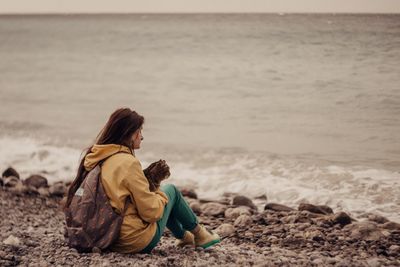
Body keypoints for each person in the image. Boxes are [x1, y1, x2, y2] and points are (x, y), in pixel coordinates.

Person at [64, 108, 220, 253]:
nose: (142, 136)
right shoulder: (128, 162)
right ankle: (201, 235)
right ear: (130, 134)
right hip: (131, 240)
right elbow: (151, 213)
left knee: (164, 197)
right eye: (140, 131)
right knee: (170, 191)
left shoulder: (97, 157)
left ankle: (185, 237)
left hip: (104, 235)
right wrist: (157, 189)